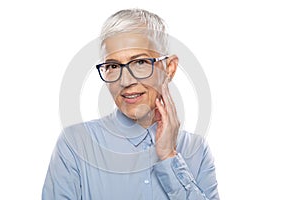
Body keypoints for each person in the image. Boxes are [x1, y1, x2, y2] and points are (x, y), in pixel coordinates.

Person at [42, 9, 219, 200]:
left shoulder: (197, 149)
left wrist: (169, 157)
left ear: (169, 68)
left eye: (140, 62)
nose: (125, 81)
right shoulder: (75, 144)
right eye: (113, 66)